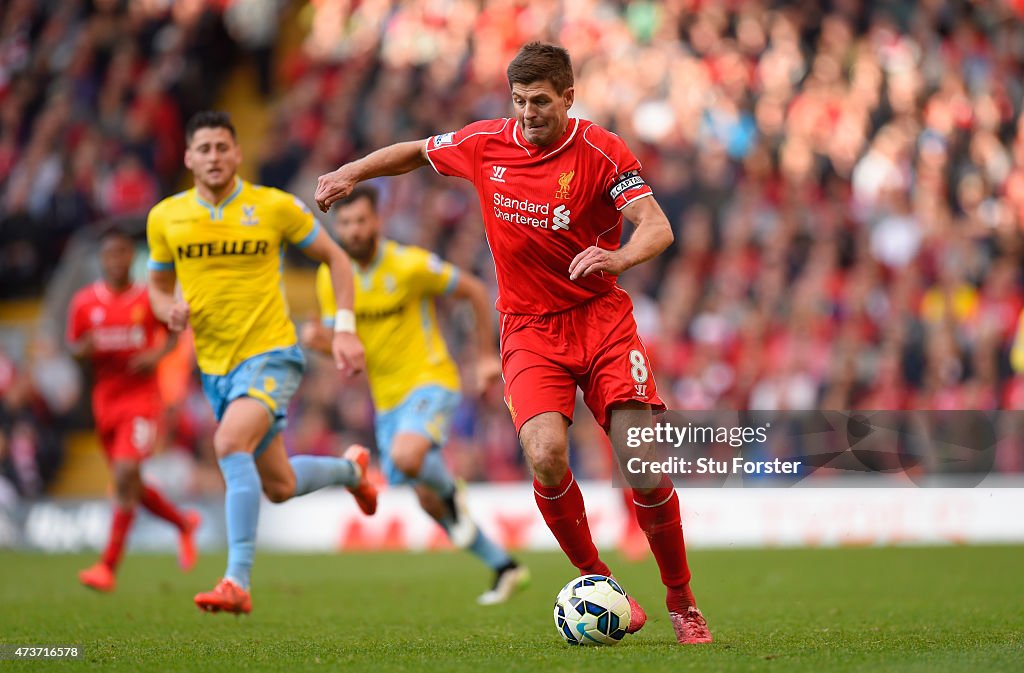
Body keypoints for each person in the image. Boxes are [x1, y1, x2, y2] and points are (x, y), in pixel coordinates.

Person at [315, 42, 712, 644]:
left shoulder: (602, 152)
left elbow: (658, 227)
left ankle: (683, 603)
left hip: (601, 319)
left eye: (541, 102)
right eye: (520, 101)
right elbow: (416, 153)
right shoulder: (486, 143)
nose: (528, 113)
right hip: (528, 329)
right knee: (547, 454)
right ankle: (602, 584)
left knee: (642, 464)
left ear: (568, 98)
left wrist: (618, 256)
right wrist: (350, 172)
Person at [147, 110, 377, 615]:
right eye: (203, 149)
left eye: (221, 147)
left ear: (237, 152)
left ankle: (236, 580)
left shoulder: (272, 207)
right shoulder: (166, 218)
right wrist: (171, 312)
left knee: (229, 443)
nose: (213, 157)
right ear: (188, 157)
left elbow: (336, 258)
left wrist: (343, 329)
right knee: (279, 486)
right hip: (215, 368)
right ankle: (350, 470)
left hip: (272, 351)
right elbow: (159, 288)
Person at [301, 185, 530, 605]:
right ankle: (504, 565)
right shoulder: (329, 276)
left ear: (377, 221)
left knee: (409, 460)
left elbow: (475, 290)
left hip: (430, 379)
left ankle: (449, 490)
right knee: (427, 499)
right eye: (345, 223)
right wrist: (320, 340)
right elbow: (348, 343)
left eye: (360, 220)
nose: (353, 230)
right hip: (386, 400)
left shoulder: (408, 264)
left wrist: (483, 357)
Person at [67, 227, 200, 593]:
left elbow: (173, 336)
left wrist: (155, 355)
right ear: (102, 259)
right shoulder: (84, 303)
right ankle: (184, 522)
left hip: (141, 400)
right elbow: (74, 348)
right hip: (105, 402)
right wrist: (85, 348)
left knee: (125, 474)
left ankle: (107, 566)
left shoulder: (146, 298)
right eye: (110, 254)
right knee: (132, 484)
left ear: (132, 257)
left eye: (123, 253)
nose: (117, 261)